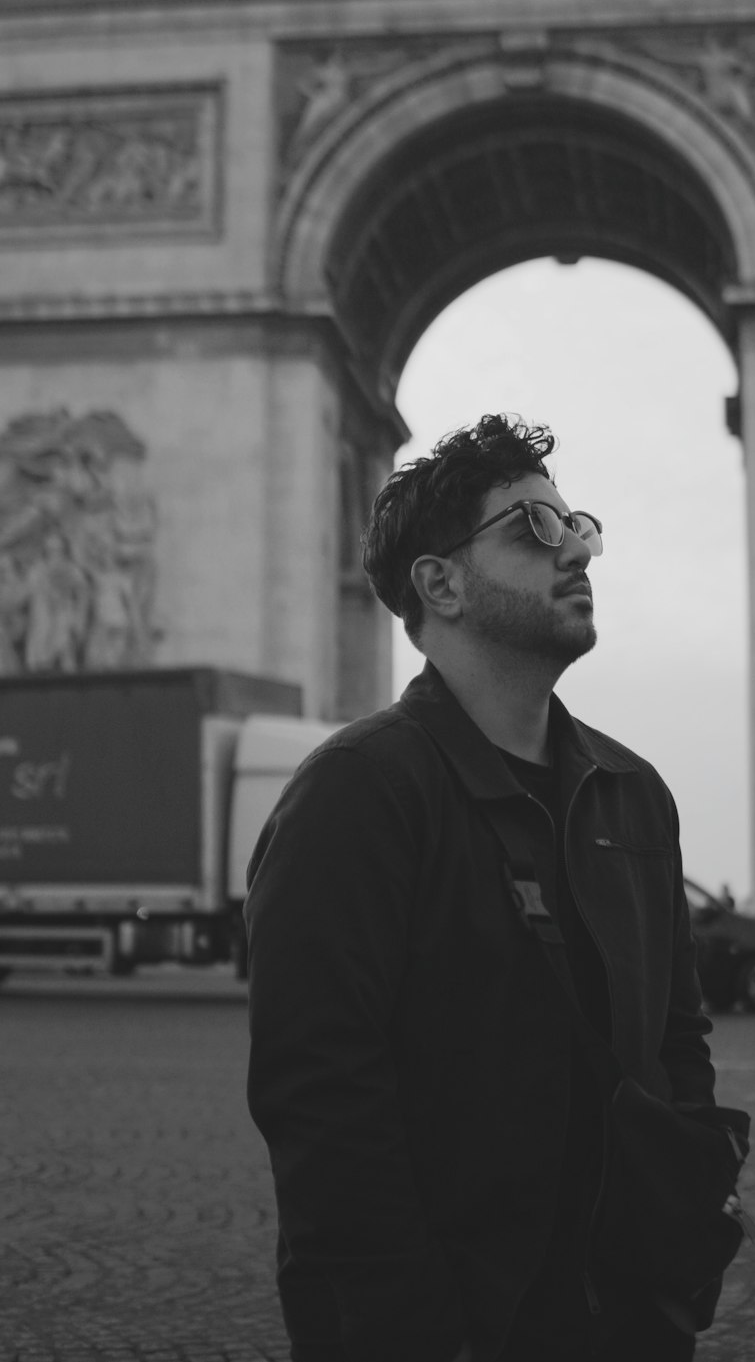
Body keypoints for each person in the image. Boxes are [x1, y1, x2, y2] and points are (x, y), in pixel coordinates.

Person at [246, 414, 726, 1362]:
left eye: (575, 523)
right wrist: (412, 1326)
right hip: (446, 1322)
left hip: (628, 1316)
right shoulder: (354, 793)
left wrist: (695, 1206)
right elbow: (320, 1101)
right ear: (440, 582)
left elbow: (677, 1037)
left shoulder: (637, 794)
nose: (577, 548)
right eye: (532, 529)